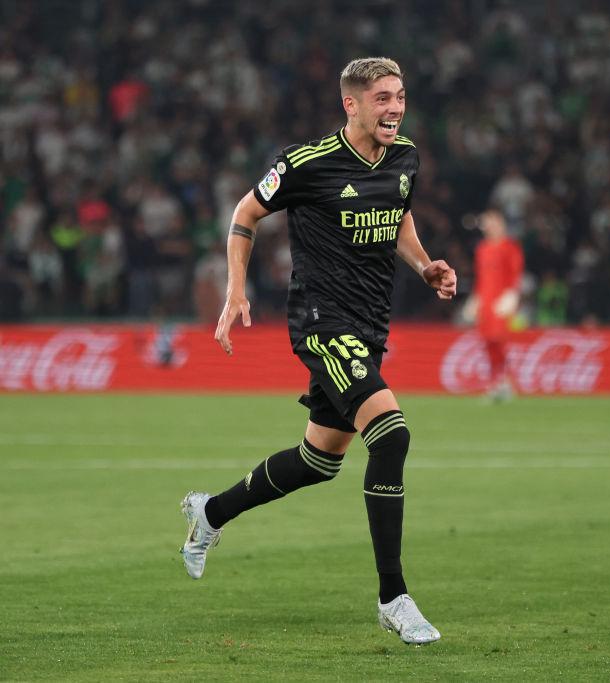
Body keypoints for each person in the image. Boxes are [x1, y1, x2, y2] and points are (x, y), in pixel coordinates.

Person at [179, 57, 457, 645]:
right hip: (321, 322)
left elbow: (399, 219)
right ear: (350, 104)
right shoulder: (305, 163)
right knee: (392, 433)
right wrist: (235, 291)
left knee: (319, 460)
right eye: (382, 98)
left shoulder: (404, 156)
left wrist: (424, 265)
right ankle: (393, 596)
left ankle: (209, 514)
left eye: (400, 97)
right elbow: (245, 213)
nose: (395, 108)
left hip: (370, 326)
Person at [469, 209, 523, 400]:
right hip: (486, 302)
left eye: (491, 222)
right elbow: (479, 277)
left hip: (501, 303)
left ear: (500, 223)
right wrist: (475, 300)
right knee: (488, 344)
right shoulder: (482, 248)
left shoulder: (510, 247)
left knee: (499, 342)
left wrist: (511, 296)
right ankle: (496, 383)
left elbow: (516, 273)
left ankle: (505, 381)